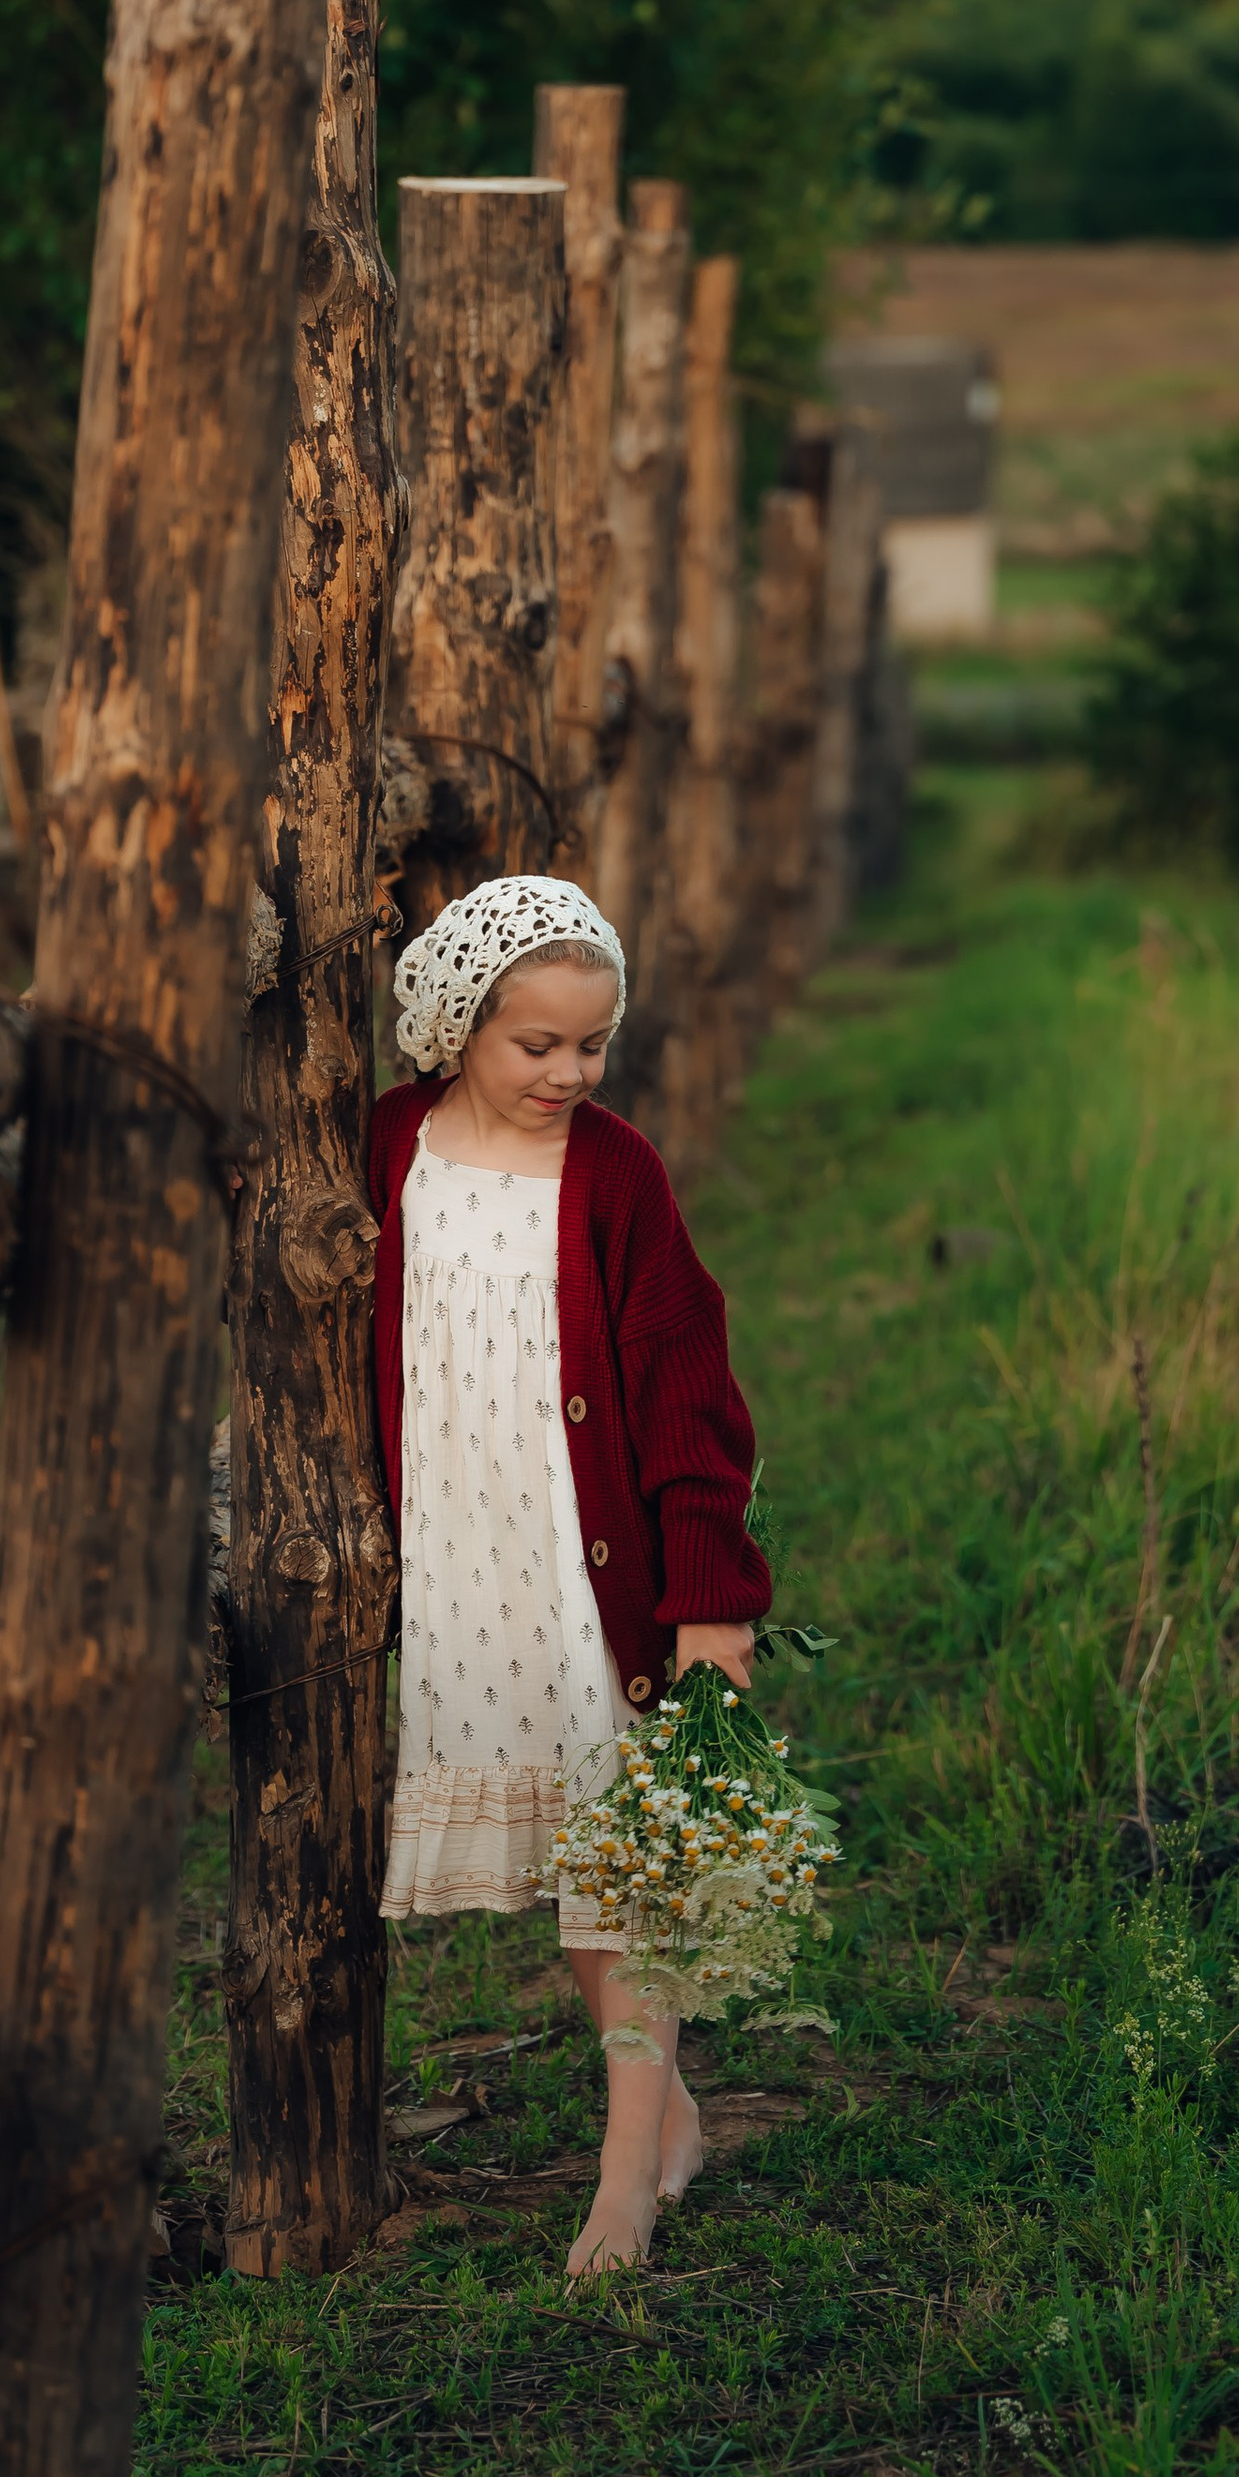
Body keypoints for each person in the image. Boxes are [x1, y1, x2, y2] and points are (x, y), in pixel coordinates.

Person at [369, 872, 771, 2278]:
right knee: (571, 1888)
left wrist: (710, 1593)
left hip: (585, 1573)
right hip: (457, 1580)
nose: (569, 1073)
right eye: (535, 1045)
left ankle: (624, 2179)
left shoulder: (612, 1174)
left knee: (623, 1878)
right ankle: (665, 2107)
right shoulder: (385, 1153)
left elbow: (683, 1383)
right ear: (455, 1026)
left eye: (590, 1046)